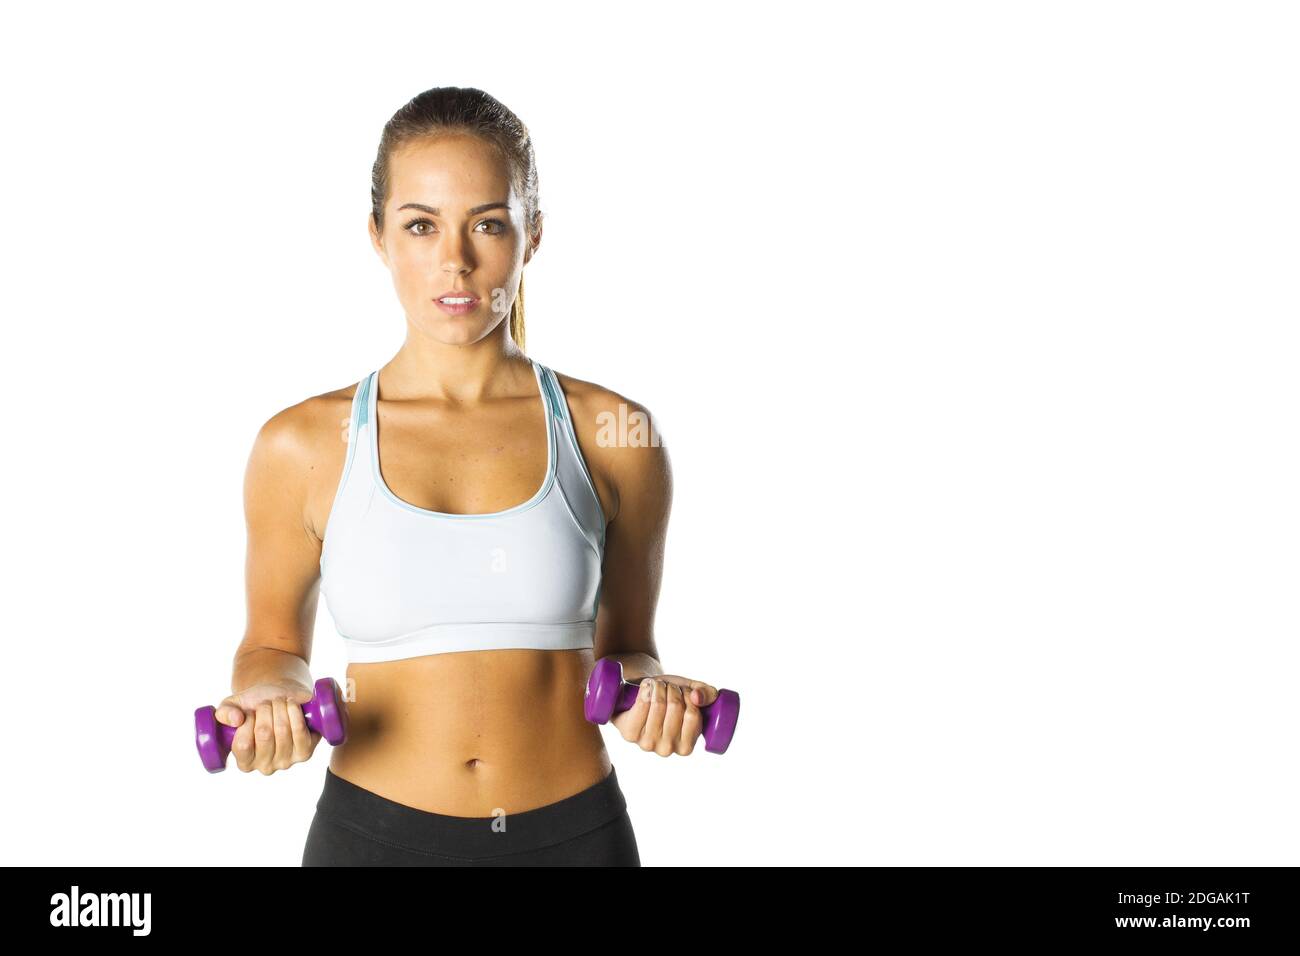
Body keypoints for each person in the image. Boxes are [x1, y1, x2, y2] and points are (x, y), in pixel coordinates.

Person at [212, 87, 722, 866]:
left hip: (572, 836)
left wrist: (654, 698)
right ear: (378, 235)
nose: (455, 261)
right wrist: (270, 698)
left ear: (533, 235)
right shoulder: (300, 444)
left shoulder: (616, 436)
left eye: (488, 223)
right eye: (421, 225)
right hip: (370, 837)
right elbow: (271, 646)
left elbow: (629, 652)